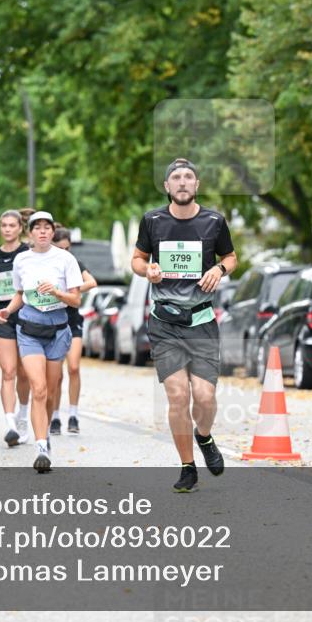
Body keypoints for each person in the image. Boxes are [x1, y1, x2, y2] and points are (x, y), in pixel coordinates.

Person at [131, 158, 237, 492]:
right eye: (175, 177)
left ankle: (204, 437)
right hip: (165, 321)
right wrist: (146, 270)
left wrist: (219, 270)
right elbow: (136, 259)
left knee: (204, 397)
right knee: (178, 396)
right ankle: (187, 467)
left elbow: (232, 258)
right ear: (167, 186)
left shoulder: (214, 222)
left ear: (196, 185)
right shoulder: (152, 221)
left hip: (202, 320)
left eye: (188, 177)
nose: (182, 182)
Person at [0, 211, 82, 472]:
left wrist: (56, 291)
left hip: (57, 330)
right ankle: (41, 447)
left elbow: (76, 300)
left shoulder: (66, 259)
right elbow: (20, 294)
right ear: (30, 233)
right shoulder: (22, 260)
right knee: (39, 387)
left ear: (52, 232)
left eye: (47, 228)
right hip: (30, 330)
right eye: (37, 228)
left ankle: (43, 430)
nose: (43, 232)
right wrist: (8, 311)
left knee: (52, 390)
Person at [0, 210, 31, 446]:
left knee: (23, 372)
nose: (8, 229)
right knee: (8, 370)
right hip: (0, 315)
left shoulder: (28, 253)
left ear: (20, 228)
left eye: (12, 225)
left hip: (26, 314)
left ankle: (22, 414)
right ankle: (10, 423)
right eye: (4, 225)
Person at [50, 227, 97, 435]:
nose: (65, 252)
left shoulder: (75, 264)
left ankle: (74, 415)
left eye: (68, 248)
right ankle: (54, 417)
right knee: (56, 374)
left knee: (74, 367)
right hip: (52, 321)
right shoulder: (47, 265)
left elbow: (92, 282)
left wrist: (72, 289)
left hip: (73, 320)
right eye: (60, 248)